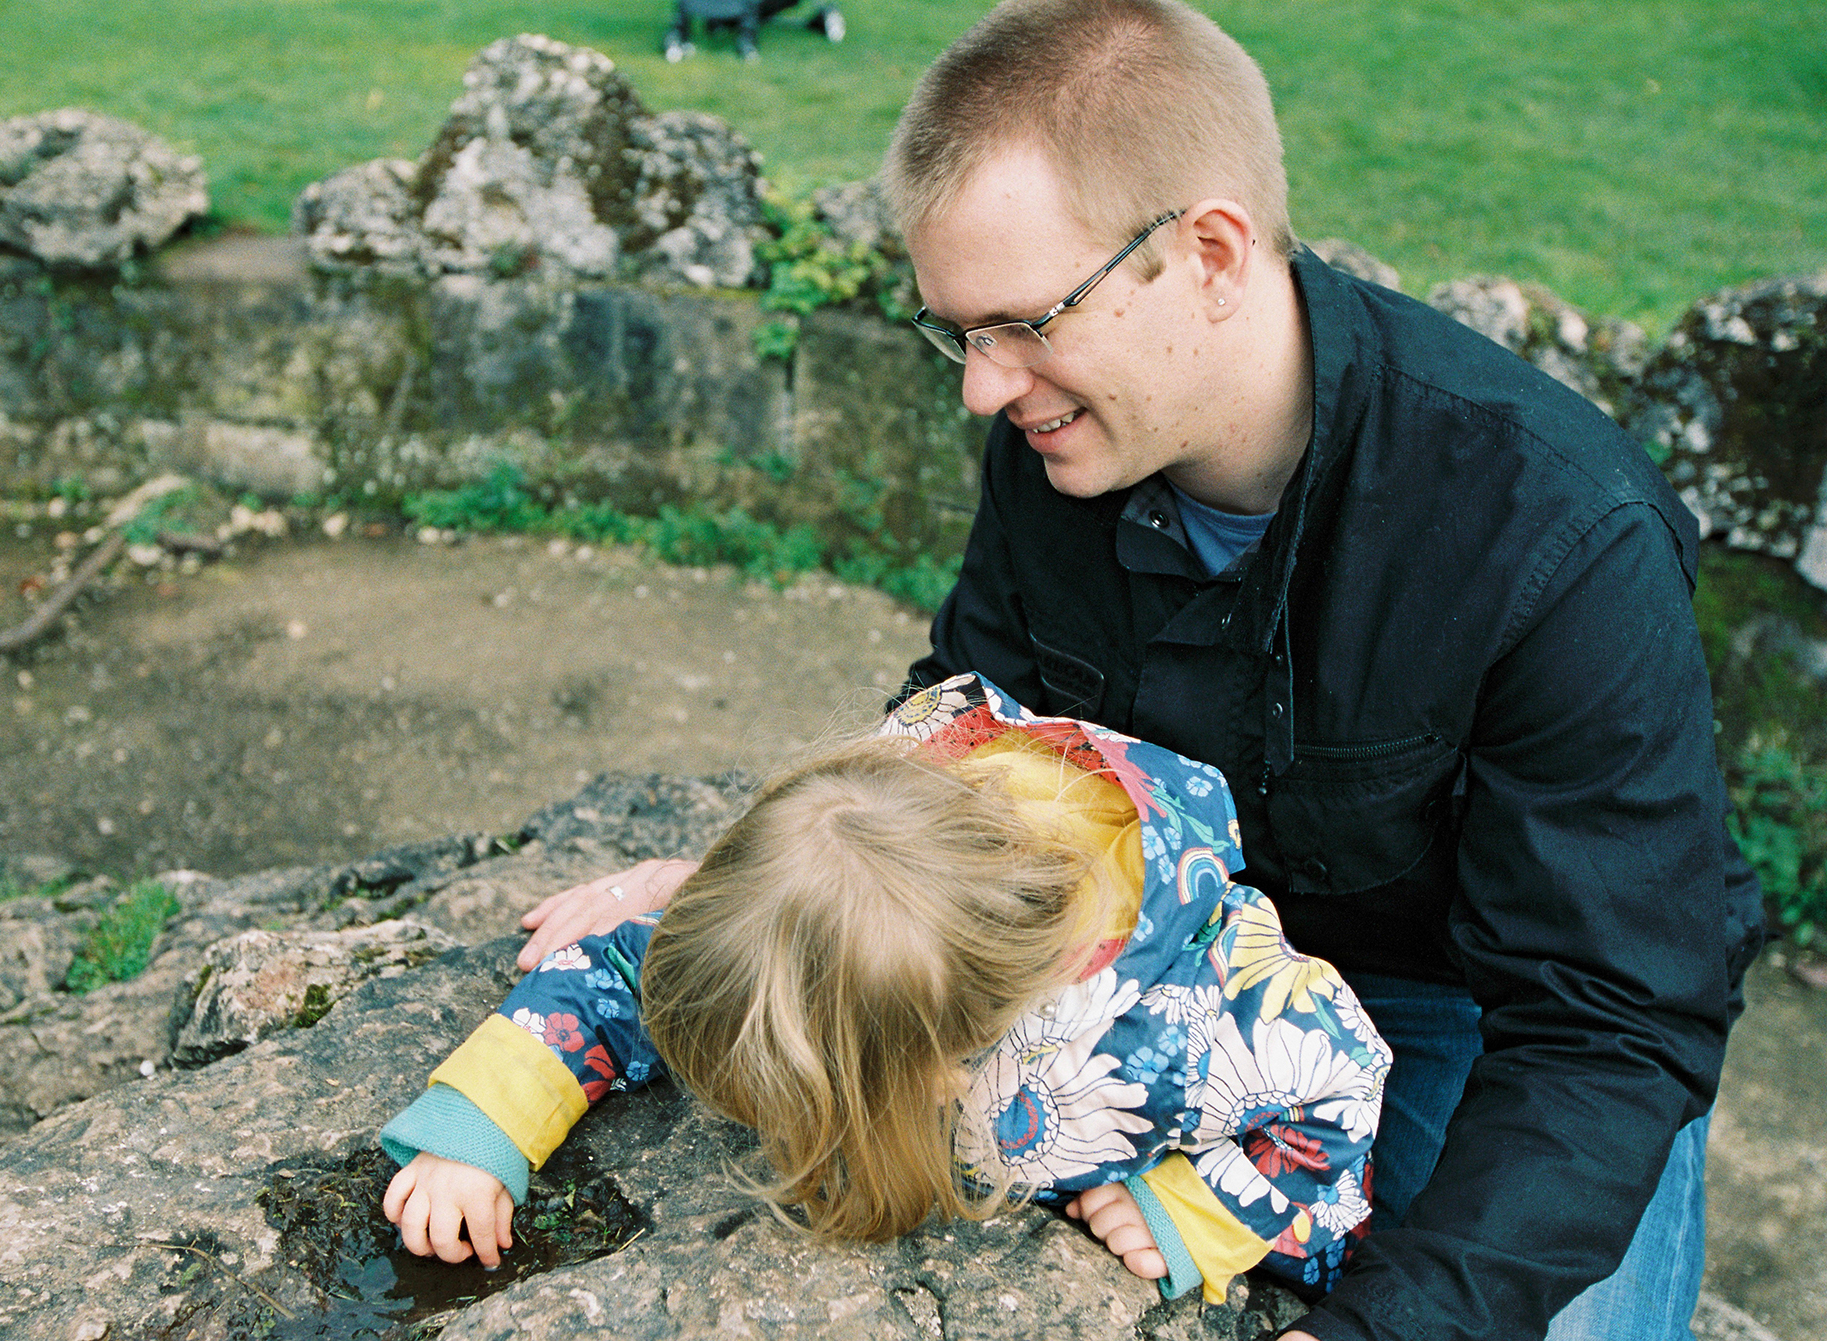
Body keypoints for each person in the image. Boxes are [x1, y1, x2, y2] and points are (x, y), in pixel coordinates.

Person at [514, 2, 1765, 1338]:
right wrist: (759, 894)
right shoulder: (1065, 443)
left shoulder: (1556, 532)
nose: (980, 391)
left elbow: (1607, 1022)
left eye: (1020, 324)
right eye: (959, 333)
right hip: (1150, 962)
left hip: (1484, 1016)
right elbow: (976, 724)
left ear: (1210, 254)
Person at [383, 673, 1391, 1303]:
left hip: (1273, 1227)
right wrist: (482, 1128)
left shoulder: (1186, 1028)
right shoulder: (820, 928)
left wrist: (1196, 1215)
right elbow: (620, 973)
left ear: (935, 1061)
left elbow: (1340, 1083)